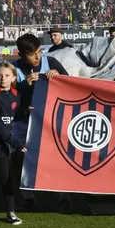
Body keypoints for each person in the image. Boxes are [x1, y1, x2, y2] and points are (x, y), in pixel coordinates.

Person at [12, 33, 70, 210]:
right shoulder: (12, 70)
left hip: (50, 120)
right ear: (21, 54)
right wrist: (23, 86)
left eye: (39, 51)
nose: (38, 57)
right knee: (20, 158)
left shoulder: (50, 62)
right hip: (23, 122)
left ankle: (64, 195)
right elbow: (7, 99)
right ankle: (28, 196)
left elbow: (72, 87)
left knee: (57, 155)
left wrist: (60, 76)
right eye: (32, 54)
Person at [0, 62, 25, 225]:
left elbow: (15, 117)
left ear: (14, 77)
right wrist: (16, 143)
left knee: (6, 178)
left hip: (3, 143)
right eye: (0, 75)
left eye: (7, 75)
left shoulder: (16, 94)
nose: (3, 78)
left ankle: (10, 213)